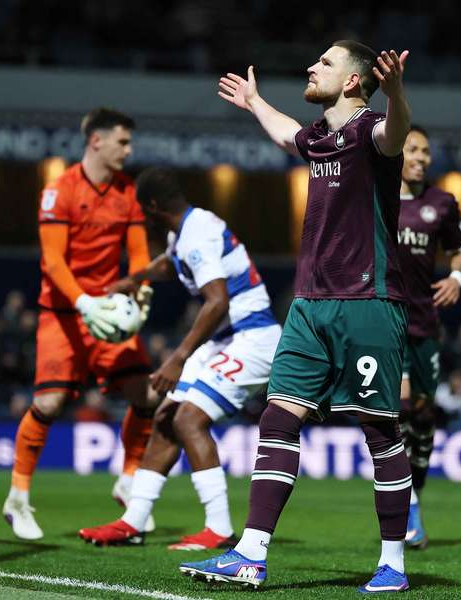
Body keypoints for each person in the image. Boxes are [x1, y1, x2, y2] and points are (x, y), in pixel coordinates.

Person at [180, 41, 413, 593]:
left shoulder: (370, 131)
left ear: (354, 82)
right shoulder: (321, 137)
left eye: (325, 63)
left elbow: (396, 135)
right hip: (309, 305)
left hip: (368, 304)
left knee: (380, 430)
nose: (311, 67)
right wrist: (256, 102)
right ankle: (251, 554)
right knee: (278, 419)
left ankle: (393, 564)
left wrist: (398, 93)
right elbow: (288, 133)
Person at [78, 168, 281, 551]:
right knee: (166, 419)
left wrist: (177, 358)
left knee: (189, 419)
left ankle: (219, 528)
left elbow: (217, 300)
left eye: (142, 210)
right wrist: (137, 279)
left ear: (152, 207)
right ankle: (133, 522)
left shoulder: (196, 235)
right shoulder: (184, 231)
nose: (141, 218)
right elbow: (171, 264)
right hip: (227, 340)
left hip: (252, 339)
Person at [3, 108, 157, 540]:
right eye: (123, 142)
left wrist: (141, 287)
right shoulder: (60, 190)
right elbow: (52, 260)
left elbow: (139, 252)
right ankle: (16, 498)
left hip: (108, 314)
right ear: (97, 142)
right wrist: (83, 301)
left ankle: (128, 479)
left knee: (146, 395)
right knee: (49, 404)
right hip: (64, 313)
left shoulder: (130, 192)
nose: (129, 150)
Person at [395, 125, 461, 549]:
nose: (422, 158)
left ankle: (412, 497)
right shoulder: (376, 194)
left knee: (423, 420)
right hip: (386, 322)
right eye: (413, 150)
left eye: (426, 152)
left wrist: (458, 275)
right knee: (401, 410)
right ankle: (405, 510)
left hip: (426, 325)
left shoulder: (441, 203)